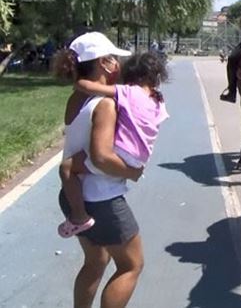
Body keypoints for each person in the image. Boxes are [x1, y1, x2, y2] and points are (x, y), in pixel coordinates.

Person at [52, 32, 151, 307]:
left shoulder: (76, 98)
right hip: (102, 199)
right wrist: (132, 171)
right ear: (105, 64)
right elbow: (102, 158)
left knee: (96, 261)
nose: (119, 64)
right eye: (115, 59)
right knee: (131, 265)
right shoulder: (105, 104)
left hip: (73, 196)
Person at [57, 50, 170, 237]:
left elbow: (89, 87)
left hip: (119, 153)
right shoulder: (158, 100)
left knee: (66, 169)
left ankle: (79, 216)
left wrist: (77, 79)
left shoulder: (127, 92)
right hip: (139, 157)